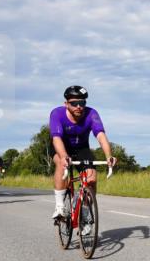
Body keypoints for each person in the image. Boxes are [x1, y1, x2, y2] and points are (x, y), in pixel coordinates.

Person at [49, 86, 117, 220]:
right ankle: (59, 206)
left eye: (82, 103)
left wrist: (109, 156)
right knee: (61, 164)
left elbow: (101, 136)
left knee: (91, 178)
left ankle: (85, 210)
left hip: (82, 148)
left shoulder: (92, 114)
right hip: (62, 147)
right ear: (66, 104)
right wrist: (63, 156)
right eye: (74, 103)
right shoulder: (57, 114)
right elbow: (56, 138)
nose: (79, 106)